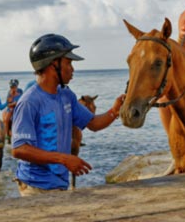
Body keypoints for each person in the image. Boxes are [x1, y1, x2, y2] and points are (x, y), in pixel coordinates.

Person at [11, 34, 125, 195]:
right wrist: (64, 159)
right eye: (69, 63)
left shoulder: (67, 95)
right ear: (52, 65)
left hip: (59, 186)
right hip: (34, 187)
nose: (72, 69)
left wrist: (115, 110)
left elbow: (93, 123)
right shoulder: (29, 102)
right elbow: (19, 149)